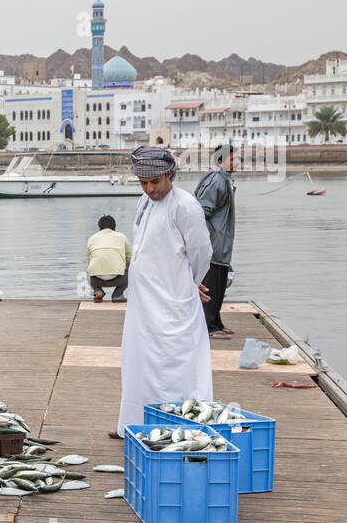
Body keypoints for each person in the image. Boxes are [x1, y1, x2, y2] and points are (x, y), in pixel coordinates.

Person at [113, 146, 213, 439]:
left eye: (155, 182)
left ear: (170, 174)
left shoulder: (186, 205)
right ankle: (133, 423)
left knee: (176, 362)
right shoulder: (145, 202)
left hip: (174, 300)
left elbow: (201, 252)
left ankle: (178, 428)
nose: (150, 188)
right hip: (144, 302)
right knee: (140, 360)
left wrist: (191, 282)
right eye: (144, 183)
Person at [194, 143, 238, 338]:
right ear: (221, 161)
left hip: (222, 245)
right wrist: (206, 239)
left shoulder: (225, 180)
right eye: (233, 159)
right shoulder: (216, 181)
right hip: (213, 243)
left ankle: (216, 322)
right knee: (211, 285)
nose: (237, 162)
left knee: (220, 284)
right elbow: (202, 210)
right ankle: (209, 327)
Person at [87, 214, 132, 302]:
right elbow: (130, 257)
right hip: (118, 278)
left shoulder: (92, 238)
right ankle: (117, 294)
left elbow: (89, 259)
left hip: (96, 279)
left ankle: (98, 290)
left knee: (90, 268)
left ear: (99, 228)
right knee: (131, 265)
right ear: (115, 228)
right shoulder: (122, 236)